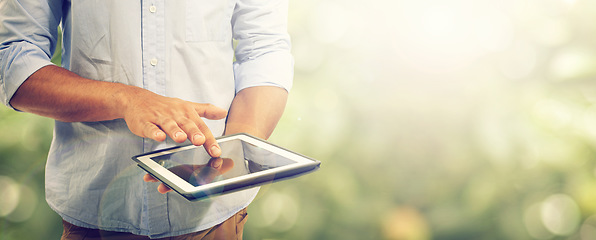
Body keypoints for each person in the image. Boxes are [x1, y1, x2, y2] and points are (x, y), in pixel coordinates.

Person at [0, 0, 293, 239]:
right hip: (95, 218)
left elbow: (265, 50)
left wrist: (230, 155)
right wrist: (126, 100)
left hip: (214, 220)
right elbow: (13, 59)